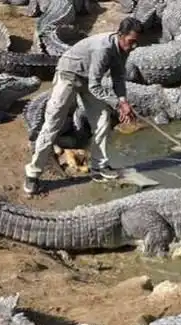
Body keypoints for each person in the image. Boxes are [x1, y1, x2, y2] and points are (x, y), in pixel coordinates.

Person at [23, 17, 144, 195]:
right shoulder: (103, 48)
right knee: (52, 124)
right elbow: (96, 86)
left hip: (87, 79)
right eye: (131, 41)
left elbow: (118, 77)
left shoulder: (124, 48)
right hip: (69, 75)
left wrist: (123, 100)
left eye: (136, 42)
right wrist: (118, 105)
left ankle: (99, 167)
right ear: (120, 35)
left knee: (102, 120)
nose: (133, 46)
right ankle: (32, 175)